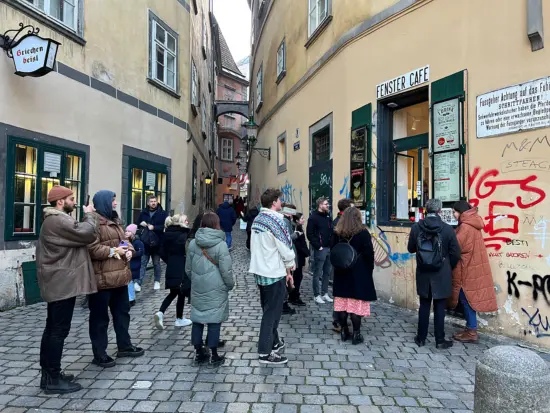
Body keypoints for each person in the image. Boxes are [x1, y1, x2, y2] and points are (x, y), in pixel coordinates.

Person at [36, 186, 98, 394]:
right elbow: (87, 233)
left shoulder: (54, 220)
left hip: (59, 282)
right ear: (60, 202)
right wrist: (89, 215)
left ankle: (48, 375)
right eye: (71, 199)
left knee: (52, 329)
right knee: (58, 331)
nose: (74, 202)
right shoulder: (58, 220)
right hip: (62, 283)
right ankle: (52, 378)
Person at [88, 190, 145, 367]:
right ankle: (100, 354)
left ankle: (124, 345)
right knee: (99, 319)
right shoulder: (93, 222)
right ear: (104, 202)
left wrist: (129, 250)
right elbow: (91, 248)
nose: (115, 203)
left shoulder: (116, 221)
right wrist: (114, 251)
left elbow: (124, 241)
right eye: (112, 201)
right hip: (102, 279)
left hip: (120, 277)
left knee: (122, 313)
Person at [249, 189, 295, 365]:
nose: (281, 203)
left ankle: (274, 342)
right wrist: (291, 264)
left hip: (260, 271)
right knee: (272, 314)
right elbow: (285, 248)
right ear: (274, 202)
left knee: (268, 309)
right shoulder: (276, 221)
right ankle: (265, 352)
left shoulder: (258, 220)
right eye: (279, 200)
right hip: (274, 272)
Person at [407, 199, 461, 350]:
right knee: (439, 307)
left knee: (424, 305)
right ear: (439, 211)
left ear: (425, 210)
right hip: (441, 272)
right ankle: (440, 340)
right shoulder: (447, 228)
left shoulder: (417, 227)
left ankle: (421, 338)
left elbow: (411, 248)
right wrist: (448, 265)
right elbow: (455, 252)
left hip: (423, 272)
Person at [186, 212, 234, 367]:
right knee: (214, 319)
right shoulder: (220, 244)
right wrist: (229, 285)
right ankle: (213, 354)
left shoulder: (193, 243)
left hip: (198, 286)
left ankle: (199, 351)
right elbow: (226, 270)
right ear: (216, 224)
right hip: (216, 286)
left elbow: (188, 269)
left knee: (198, 318)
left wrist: (196, 279)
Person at [450, 201, 497, 343]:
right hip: (474, 266)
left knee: (466, 299)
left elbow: (455, 247)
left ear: (461, 212)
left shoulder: (465, 227)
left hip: (468, 268)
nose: (453, 214)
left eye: (454, 212)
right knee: (469, 299)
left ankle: (471, 332)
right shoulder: (473, 223)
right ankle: (470, 328)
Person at [331, 207, 376, 345]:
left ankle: (344, 331)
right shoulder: (363, 233)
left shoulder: (338, 232)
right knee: (355, 305)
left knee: (343, 304)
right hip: (359, 271)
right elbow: (369, 253)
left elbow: (333, 251)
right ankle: (356, 334)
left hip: (341, 271)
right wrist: (369, 269)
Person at [154, 214, 192, 330]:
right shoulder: (184, 234)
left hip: (171, 266)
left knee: (173, 292)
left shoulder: (167, 234)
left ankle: (161, 312)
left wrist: (170, 261)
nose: (188, 222)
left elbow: (161, 252)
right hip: (182, 266)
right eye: (186, 220)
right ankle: (179, 319)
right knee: (180, 293)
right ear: (180, 222)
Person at [331, 198, 354, 332]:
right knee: (339, 293)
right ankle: (337, 320)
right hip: (341, 263)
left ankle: (343, 317)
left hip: (347, 262)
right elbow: (333, 245)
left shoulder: (347, 223)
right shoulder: (337, 224)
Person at [136, 195, 168, 291]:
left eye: (155, 201)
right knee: (143, 263)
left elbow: (165, 226)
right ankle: (138, 283)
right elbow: (137, 223)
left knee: (156, 263)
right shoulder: (143, 213)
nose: (153, 203)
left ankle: (157, 281)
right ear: (148, 203)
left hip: (157, 242)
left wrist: (154, 227)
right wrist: (140, 224)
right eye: (151, 201)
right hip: (145, 242)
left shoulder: (162, 213)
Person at [307, 197, 334, 304]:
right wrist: (318, 246)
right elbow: (310, 234)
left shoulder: (328, 217)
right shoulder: (313, 218)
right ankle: (316, 295)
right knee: (317, 273)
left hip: (329, 248)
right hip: (321, 249)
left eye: (328, 204)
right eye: (325, 204)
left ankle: (324, 293)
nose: (328, 205)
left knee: (327, 272)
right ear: (320, 205)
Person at [289, 212, 309, 306]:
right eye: (301, 218)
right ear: (297, 220)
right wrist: (305, 251)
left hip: (300, 256)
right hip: (298, 256)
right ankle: (294, 296)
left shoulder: (299, 228)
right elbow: (298, 244)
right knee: (297, 277)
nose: (303, 220)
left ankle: (294, 296)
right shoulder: (295, 230)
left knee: (298, 276)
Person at [124, 224, 144, 307]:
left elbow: (141, 252)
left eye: (129, 231)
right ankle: (129, 298)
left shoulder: (137, 242)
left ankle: (131, 299)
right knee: (127, 282)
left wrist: (132, 253)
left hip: (133, 265)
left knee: (130, 282)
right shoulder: (124, 241)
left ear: (133, 233)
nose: (126, 232)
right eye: (126, 231)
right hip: (125, 264)